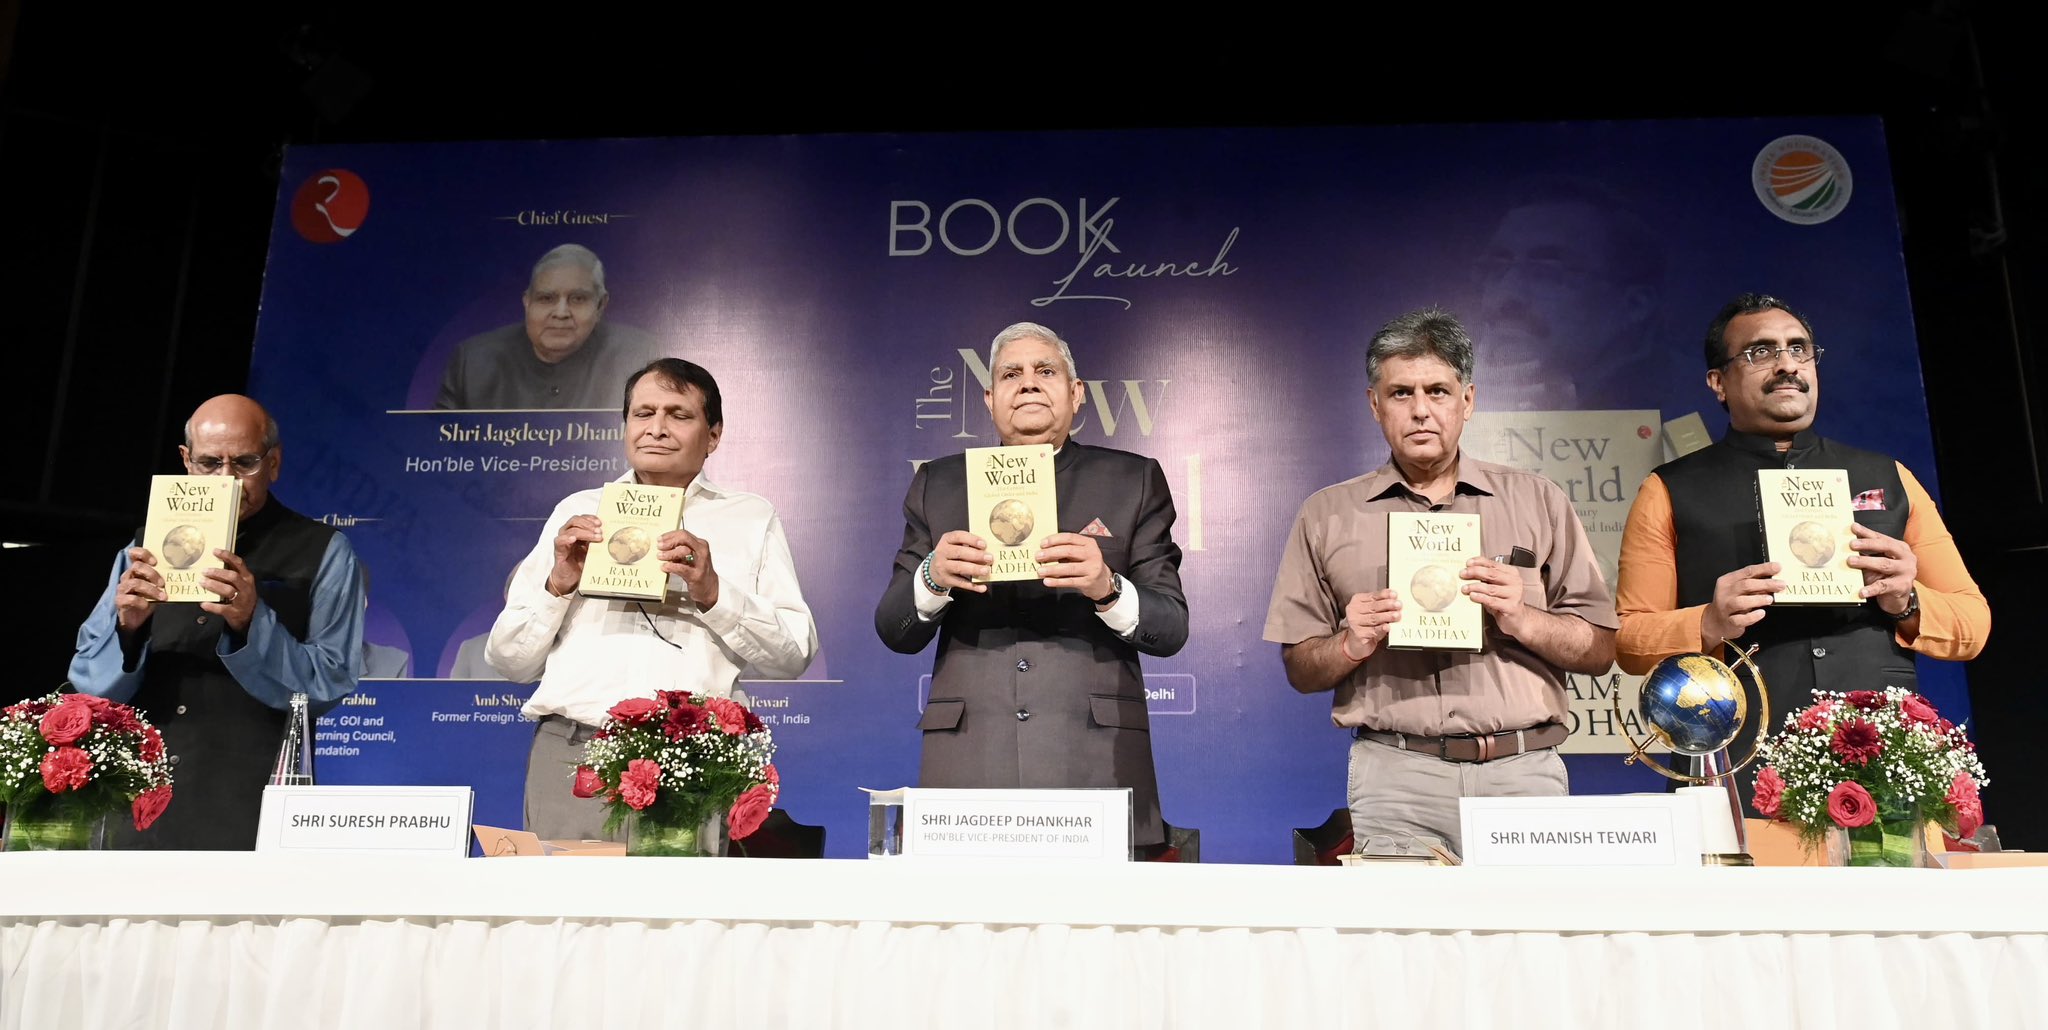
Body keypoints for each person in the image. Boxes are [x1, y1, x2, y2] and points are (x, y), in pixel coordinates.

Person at [1263, 307, 1617, 858]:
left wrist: (1522, 617)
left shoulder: (1538, 500)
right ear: (1374, 404)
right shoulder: (1326, 514)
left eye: (1438, 391)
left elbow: (1599, 650)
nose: (1421, 410)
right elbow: (1300, 669)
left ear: (1467, 401)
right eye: (1401, 393)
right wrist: (1350, 643)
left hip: (1521, 773)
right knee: (1402, 919)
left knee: (1529, 919)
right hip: (1396, 777)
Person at [1615, 293, 1990, 810]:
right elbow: (1629, 640)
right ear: (1718, 382)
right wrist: (1707, 622)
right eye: (1761, 352)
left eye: (1799, 349)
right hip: (1738, 768)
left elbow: (1973, 624)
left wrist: (1906, 601)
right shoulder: (1669, 489)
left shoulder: (1889, 476)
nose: (1787, 364)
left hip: (1881, 773)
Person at [874, 321, 1188, 854]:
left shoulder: (1132, 480)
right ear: (990, 399)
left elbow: (1171, 627)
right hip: (969, 758)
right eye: (1011, 374)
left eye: (1046, 371)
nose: (1028, 383)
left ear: (1076, 393)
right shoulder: (939, 482)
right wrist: (931, 577)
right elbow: (894, 628)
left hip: (1094, 759)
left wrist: (1108, 588)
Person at [487, 358, 817, 840]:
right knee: (566, 891)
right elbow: (508, 661)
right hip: (575, 754)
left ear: (713, 435)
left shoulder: (749, 518)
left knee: (680, 894)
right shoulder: (578, 512)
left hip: (695, 760)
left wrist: (713, 592)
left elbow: (793, 654)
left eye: (678, 415)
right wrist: (558, 584)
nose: (656, 428)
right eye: (643, 413)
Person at [70, 394, 367, 849]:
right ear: (186, 462)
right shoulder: (143, 547)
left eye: (244, 462)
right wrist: (128, 629)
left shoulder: (324, 550)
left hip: (250, 805)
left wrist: (252, 623)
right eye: (210, 463)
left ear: (273, 463)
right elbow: (89, 683)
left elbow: (330, 682)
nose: (226, 479)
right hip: (135, 802)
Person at [1470, 177, 1669, 410]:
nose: (1507, 296)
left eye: (1547, 271)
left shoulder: (1693, 415)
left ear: (1635, 305)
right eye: (1496, 267)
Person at [435, 243, 661, 410]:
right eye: (546, 298)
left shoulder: (641, 357)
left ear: (600, 305)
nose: (561, 313)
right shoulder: (473, 362)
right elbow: (435, 446)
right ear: (527, 303)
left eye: (578, 299)